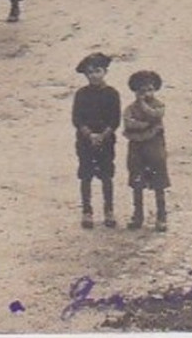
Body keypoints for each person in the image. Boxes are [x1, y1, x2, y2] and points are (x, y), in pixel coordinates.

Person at [72, 52, 122, 229]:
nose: (94, 75)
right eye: (90, 72)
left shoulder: (112, 94)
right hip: (85, 142)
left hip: (106, 141)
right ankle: (87, 211)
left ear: (105, 72)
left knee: (106, 176)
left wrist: (103, 135)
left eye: (97, 71)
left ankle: (109, 210)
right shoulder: (81, 94)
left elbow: (115, 120)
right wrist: (89, 135)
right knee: (86, 175)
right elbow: (77, 119)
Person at [122, 70, 169, 231]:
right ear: (136, 92)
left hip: (154, 149)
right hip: (137, 148)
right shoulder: (129, 108)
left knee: (159, 184)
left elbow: (155, 115)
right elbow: (129, 123)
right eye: (142, 91)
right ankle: (138, 216)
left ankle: (161, 217)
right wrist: (146, 125)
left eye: (150, 90)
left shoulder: (159, 105)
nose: (147, 94)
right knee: (137, 183)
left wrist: (143, 109)